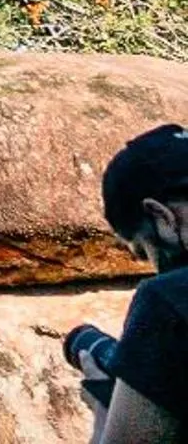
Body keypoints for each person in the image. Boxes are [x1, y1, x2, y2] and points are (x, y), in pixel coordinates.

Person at [94, 123, 188, 443]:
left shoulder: (168, 301)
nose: (153, 266)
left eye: (143, 250)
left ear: (161, 216)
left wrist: (103, 405)